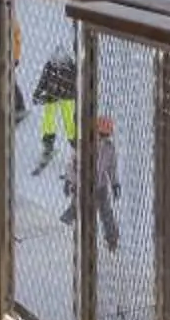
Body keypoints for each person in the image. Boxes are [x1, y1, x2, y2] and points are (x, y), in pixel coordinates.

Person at [61, 114, 121, 251]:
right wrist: (69, 181)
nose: (103, 138)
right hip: (82, 184)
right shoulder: (84, 145)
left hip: (100, 186)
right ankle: (66, 227)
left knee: (106, 212)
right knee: (77, 205)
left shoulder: (109, 149)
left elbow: (112, 168)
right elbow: (71, 165)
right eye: (101, 134)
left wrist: (115, 183)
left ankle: (112, 238)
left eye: (106, 135)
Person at [30, 44, 80, 175]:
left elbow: (75, 85)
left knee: (69, 122)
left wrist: (73, 95)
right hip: (52, 95)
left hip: (67, 97)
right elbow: (43, 79)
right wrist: (37, 93)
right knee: (48, 120)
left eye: (60, 65)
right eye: (55, 64)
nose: (57, 67)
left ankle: (76, 148)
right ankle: (48, 145)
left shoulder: (71, 68)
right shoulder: (49, 65)